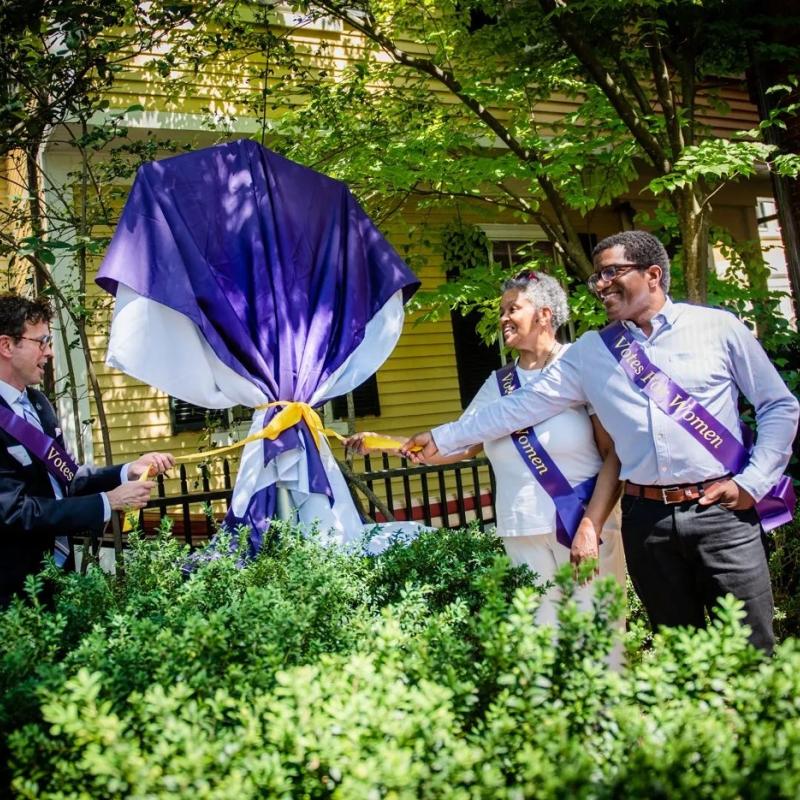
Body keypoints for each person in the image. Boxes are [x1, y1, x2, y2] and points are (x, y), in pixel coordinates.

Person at [405, 231, 799, 653]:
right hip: (648, 522)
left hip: (722, 515)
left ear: (653, 274)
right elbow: (517, 408)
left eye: (612, 272)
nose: (600, 285)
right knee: (682, 659)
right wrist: (441, 438)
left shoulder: (717, 328)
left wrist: (752, 483)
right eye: (597, 277)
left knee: (752, 652)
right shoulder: (593, 351)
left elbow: (779, 405)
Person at [349, 271, 626, 630]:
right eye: (502, 311)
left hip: (582, 524)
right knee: (541, 643)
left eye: (514, 308)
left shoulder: (577, 364)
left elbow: (613, 454)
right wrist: (385, 444)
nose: (503, 318)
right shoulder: (498, 384)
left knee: (601, 638)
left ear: (544, 314)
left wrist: (592, 524)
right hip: (521, 528)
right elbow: (461, 444)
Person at [0, 294, 174, 606]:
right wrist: (107, 502)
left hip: (58, 578)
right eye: (42, 342)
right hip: (12, 591)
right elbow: (14, 512)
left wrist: (126, 470)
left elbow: (69, 476)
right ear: (7, 346)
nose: (50, 352)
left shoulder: (39, 404)